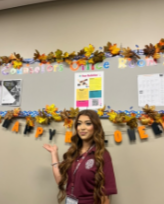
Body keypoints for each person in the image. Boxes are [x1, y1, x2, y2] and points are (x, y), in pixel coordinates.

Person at [43, 109, 117, 204]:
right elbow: (60, 180)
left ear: (96, 127)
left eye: (88, 123)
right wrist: (54, 154)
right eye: (79, 123)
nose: (82, 128)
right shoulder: (72, 151)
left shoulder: (102, 155)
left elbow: (105, 196)